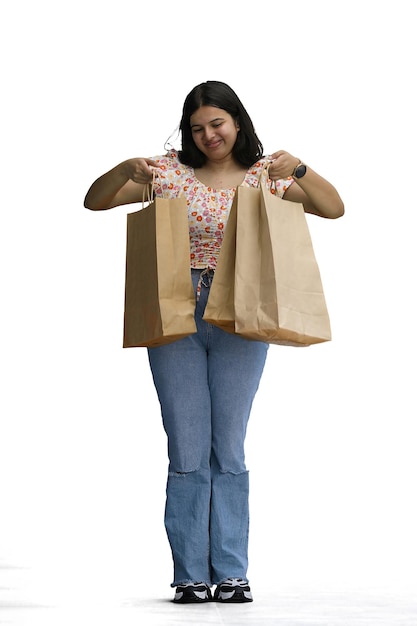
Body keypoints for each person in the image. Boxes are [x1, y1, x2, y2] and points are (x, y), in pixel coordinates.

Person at [84, 80, 344, 604]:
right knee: (186, 447)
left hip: (241, 315)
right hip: (174, 310)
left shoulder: (264, 177)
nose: (208, 135)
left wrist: (298, 168)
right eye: (198, 127)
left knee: (227, 446)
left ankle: (231, 571)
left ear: (238, 122)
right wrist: (124, 169)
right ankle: (189, 576)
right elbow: (95, 201)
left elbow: (332, 207)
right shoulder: (168, 174)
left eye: (217, 124)